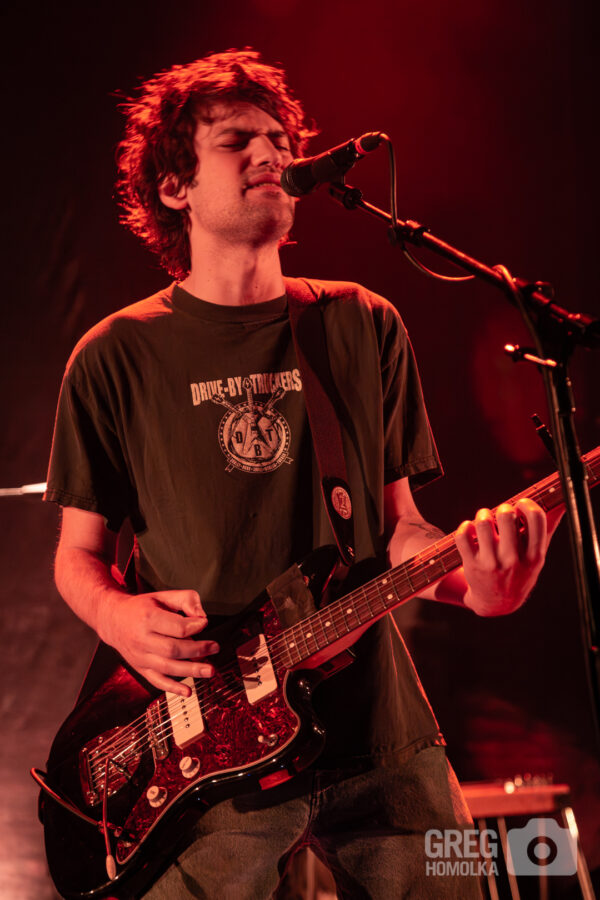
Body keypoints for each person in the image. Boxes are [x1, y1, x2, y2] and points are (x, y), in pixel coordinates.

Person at [44, 49, 559, 899]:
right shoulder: (114, 354)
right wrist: (118, 615)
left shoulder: (361, 321)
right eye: (236, 141)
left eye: (281, 141)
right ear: (174, 187)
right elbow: (78, 555)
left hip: (382, 734)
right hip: (206, 749)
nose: (271, 154)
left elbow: (401, 529)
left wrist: (478, 589)